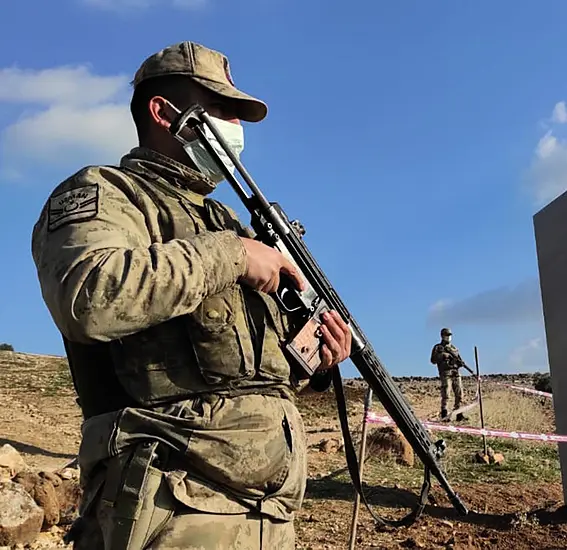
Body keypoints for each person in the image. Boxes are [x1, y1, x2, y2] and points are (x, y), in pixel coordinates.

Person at [30, 41, 352, 550]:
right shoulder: (107, 193)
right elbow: (89, 297)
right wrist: (235, 257)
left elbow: (247, 369)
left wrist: (317, 357)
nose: (236, 128)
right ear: (163, 113)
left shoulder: (224, 222)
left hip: (268, 512)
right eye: (222, 110)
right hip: (170, 506)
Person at [429, 327, 468, 421]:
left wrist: (460, 363)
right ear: (442, 336)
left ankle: (459, 414)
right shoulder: (438, 347)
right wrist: (442, 355)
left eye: (449, 335)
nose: (448, 337)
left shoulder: (454, 348)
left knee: (459, 394)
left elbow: (459, 360)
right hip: (446, 373)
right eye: (446, 335)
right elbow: (433, 360)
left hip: (456, 372)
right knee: (446, 393)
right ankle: (444, 413)